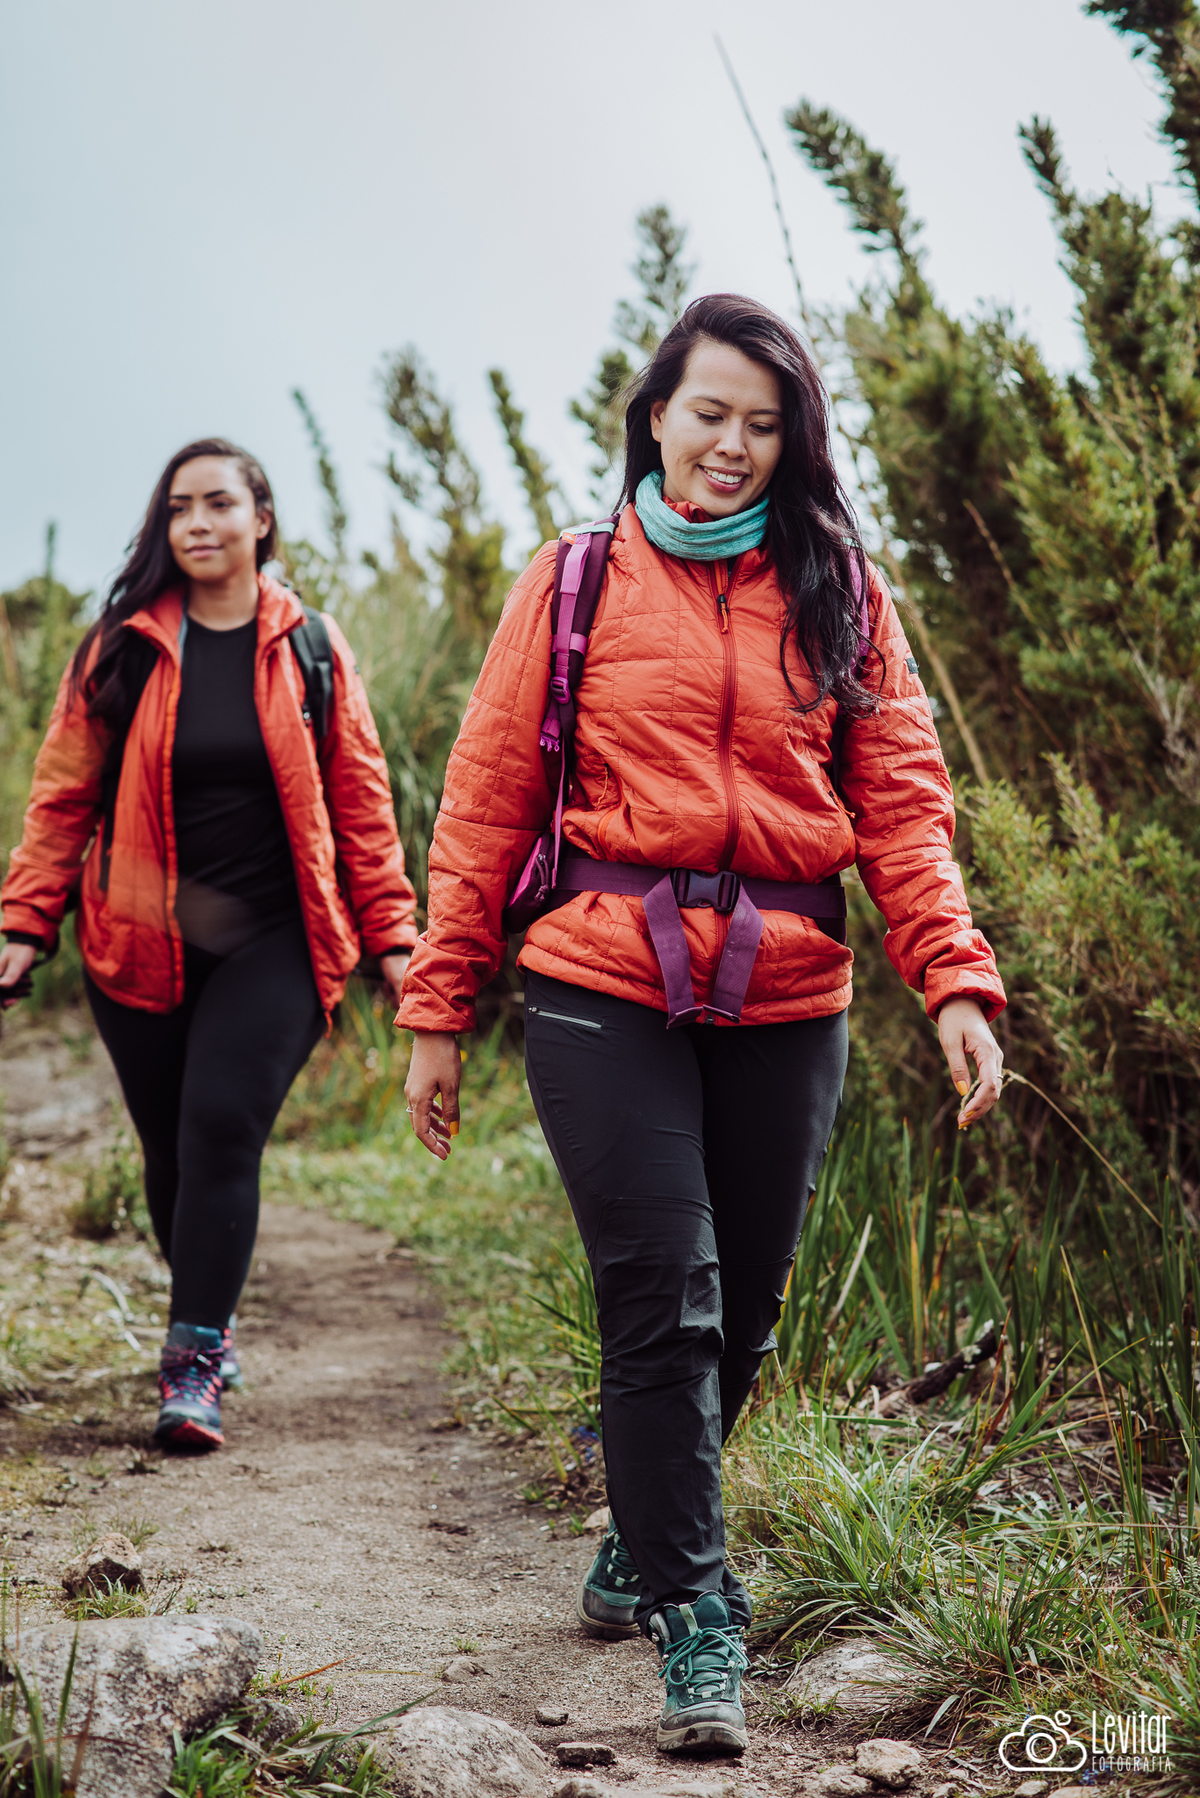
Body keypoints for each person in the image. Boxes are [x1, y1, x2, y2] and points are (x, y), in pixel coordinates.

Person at [398, 295, 1005, 1757]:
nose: (730, 443)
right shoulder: (577, 578)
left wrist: (955, 979)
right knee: (664, 1287)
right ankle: (697, 1612)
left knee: (743, 1310)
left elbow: (904, 808)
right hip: (601, 973)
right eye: (707, 411)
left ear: (791, 437)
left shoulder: (845, 589)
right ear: (655, 413)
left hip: (789, 983)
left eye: (762, 420)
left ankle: (643, 1530)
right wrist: (438, 1003)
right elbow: (484, 805)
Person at [0, 439, 416, 1451]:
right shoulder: (122, 648)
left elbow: (362, 802)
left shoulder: (310, 644)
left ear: (259, 517)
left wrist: (399, 937)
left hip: (277, 933)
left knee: (223, 1121)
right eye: (178, 505)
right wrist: (22, 921)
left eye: (219, 502)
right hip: (138, 933)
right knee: (171, 1153)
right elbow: (63, 797)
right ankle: (209, 1316)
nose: (196, 521)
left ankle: (190, 1363)